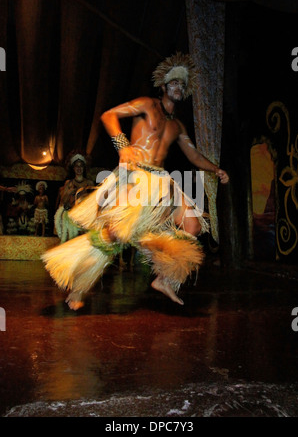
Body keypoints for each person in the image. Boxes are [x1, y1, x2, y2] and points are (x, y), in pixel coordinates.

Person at [43, 52, 229, 310]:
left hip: (163, 182)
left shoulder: (178, 127)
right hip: (136, 176)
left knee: (193, 226)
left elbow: (194, 155)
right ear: (164, 86)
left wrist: (216, 168)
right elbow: (109, 116)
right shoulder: (147, 104)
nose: (178, 87)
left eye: (182, 85)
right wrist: (123, 146)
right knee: (115, 234)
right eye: (174, 82)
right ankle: (79, 286)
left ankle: (165, 280)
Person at [54, 153, 94, 243]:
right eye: (76, 166)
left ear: (84, 168)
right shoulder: (69, 183)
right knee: (71, 240)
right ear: (73, 168)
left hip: (84, 216)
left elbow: (93, 202)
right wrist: (68, 193)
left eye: (81, 166)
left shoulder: (89, 183)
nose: (79, 168)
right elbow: (63, 201)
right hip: (71, 216)